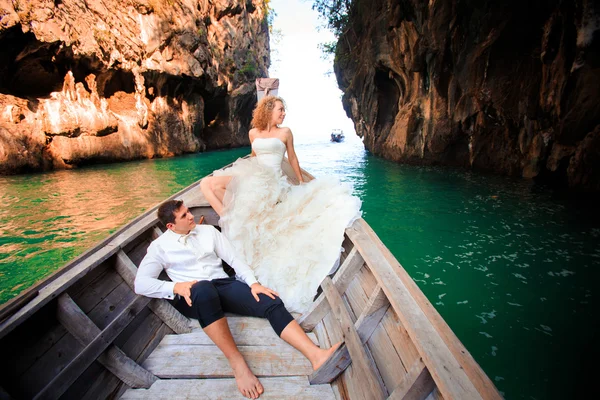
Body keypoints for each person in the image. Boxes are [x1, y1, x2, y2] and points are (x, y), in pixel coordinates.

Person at [134, 200, 341, 400]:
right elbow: (141, 283)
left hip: (222, 285)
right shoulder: (159, 247)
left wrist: (253, 284)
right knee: (204, 289)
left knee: (270, 301)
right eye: (184, 215)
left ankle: (316, 356)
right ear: (171, 225)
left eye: (189, 211)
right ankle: (238, 364)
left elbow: (234, 260)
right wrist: (175, 286)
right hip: (194, 295)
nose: (191, 216)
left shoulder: (208, 232)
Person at [199, 96, 362, 313]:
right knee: (207, 184)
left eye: (284, 110)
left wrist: (302, 181)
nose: (283, 113)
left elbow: (292, 158)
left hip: (272, 181)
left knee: (223, 191)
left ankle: (232, 220)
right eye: (280, 109)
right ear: (268, 110)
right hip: (253, 174)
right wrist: (242, 175)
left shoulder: (285, 132)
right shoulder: (253, 133)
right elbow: (254, 156)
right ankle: (229, 218)